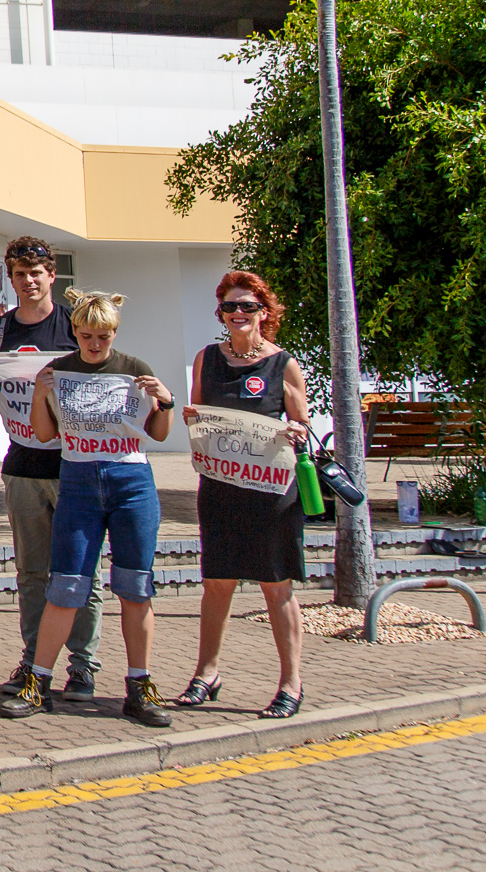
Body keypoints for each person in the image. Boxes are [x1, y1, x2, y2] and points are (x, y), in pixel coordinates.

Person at [0, 289, 176, 728]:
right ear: (74, 330)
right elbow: (42, 434)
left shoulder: (135, 370)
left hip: (131, 482)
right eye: (87, 334)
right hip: (77, 480)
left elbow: (158, 433)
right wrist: (39, 394)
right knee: (66, 586)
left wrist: (166, 401)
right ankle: (39, 682)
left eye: (104, 335)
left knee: (135, 586)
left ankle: (139, 685)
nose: (95, 343)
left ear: (115, 332)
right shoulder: (59, 370)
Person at [0, 236, 105, 703]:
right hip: (23, 465)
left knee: (80, 571)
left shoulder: (76, 326)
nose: (28, 282)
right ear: (10, 280)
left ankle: (83, 666)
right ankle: (33, 660)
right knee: (31, 572)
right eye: (19, 275)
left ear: (51, 276)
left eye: (36, 273)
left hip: (78, 465)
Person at [177, 271, 313, 720]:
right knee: (217, 582)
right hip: (220, 487)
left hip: (271, 491)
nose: (238, 314)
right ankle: (206, 673)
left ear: (264, 312)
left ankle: (291, 683)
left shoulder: (283, 364)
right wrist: (192, 420)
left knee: (276, 585)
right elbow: (198, 414)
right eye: (229, 307)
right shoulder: (206, 359)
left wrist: (294, 430)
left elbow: (301, 423)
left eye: (247, 306)